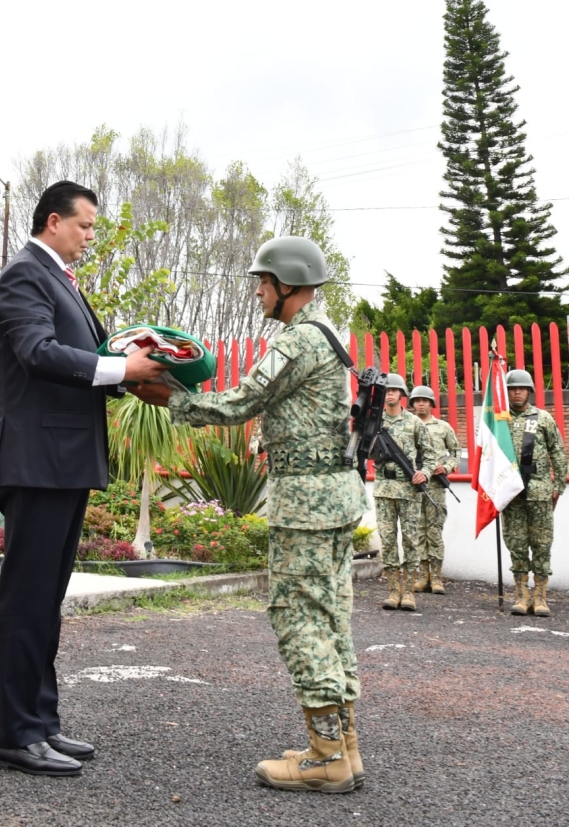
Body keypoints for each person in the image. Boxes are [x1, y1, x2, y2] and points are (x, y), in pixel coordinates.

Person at [135, 236, 369, 794]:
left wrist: (173, 397)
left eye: (264, 282)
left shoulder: (296, 341)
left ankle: (327, 757)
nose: (259, 291)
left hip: (305, 505)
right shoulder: (328, 336)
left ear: (288, 284)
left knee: (299, 619)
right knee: (332, 618)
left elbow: (241, 401)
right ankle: (344, 748)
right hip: (335, 497)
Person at [0, 180, 164, 777]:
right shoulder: (24, 275)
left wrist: (135, 372)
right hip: (37, 463)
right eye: (86, 226)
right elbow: (38, 352)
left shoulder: (59, 279)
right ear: (54, 221)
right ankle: (13, 734)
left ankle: (40, 723)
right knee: (26, 600)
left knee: (46, 601)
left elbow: (76, 357)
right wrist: (118, 366)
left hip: (60, 462)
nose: (91, 236)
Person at [502, 369, 567, 617]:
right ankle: (521, 594)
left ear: (529, 391)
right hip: (510, 493)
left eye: (521, 388)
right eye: (512, 388)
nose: (517, 391)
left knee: (541, 544)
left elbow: (558, 452)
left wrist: (558, 486)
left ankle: (540, 596)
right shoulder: (499, 420)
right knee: (516, 544)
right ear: (507, 391)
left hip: (539, 491)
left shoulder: (543, 418)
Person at [373, 374, 436, 611]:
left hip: (409, 490)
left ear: (401, 395)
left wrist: (426, 473)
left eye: (394, 390)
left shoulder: (414, 423)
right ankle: (392, 591)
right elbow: (362, 450)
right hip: (384, 490)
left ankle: (408, 591)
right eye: (386, 391)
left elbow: (430, 455)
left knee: (411, 541)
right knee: (388, 542)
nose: (390, 394)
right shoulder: (375, 422)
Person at [409, 385, 461, 595]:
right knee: (418, 530)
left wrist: (446, 467)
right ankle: (423, 576)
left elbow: (456, 452)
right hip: (413, 485)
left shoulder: (443, 427)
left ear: (431, 404)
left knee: (434, 530)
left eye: (425, 400)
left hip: (435, 486)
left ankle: (437, 577)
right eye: (417, 400)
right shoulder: (407, 425)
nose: (421, 404)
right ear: (412, 403)